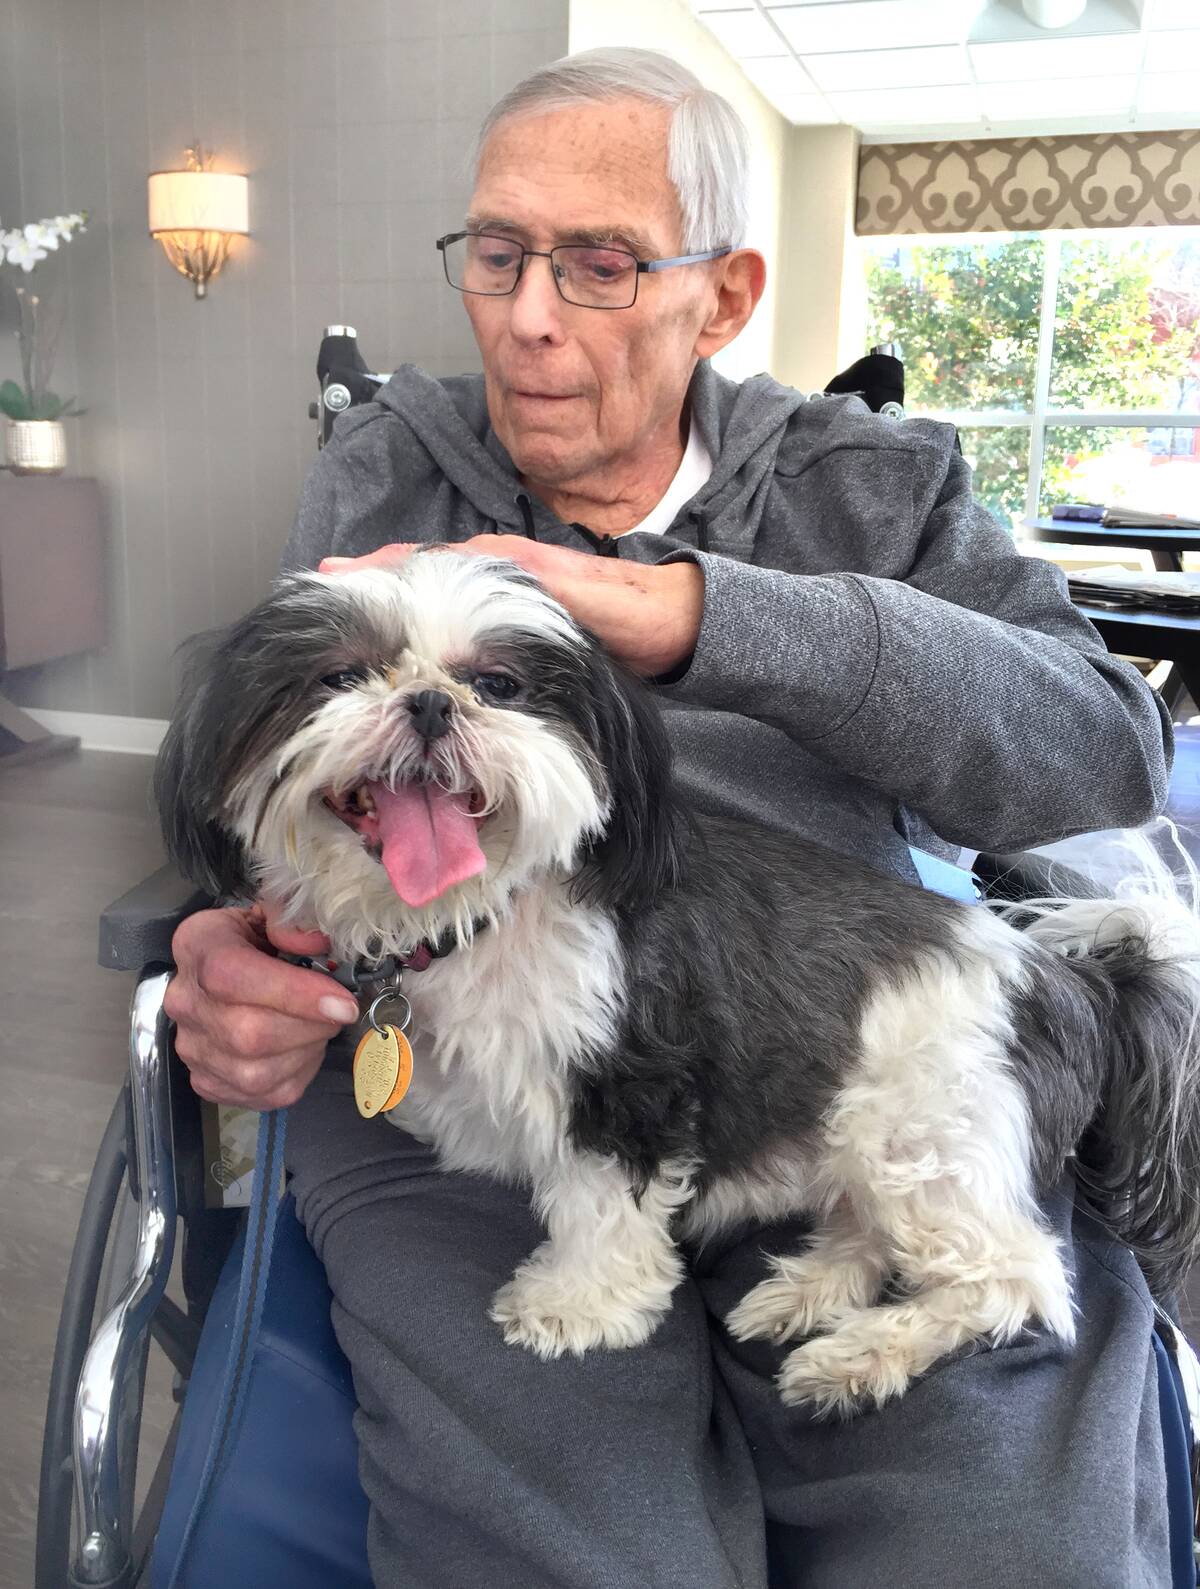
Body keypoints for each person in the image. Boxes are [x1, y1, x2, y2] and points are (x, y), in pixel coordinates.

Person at [164, 46, 1176, 1589]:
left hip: (820, 1044)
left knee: (1002, 1536)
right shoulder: (384, 469)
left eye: (601, 261)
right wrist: (233, 945)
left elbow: (1102, 743)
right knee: (576, 1537)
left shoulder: (876, 487)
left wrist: (706, 617)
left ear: (725, 292)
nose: (528, 315)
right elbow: (262, 786)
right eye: (498, 253)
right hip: (451, 1095)